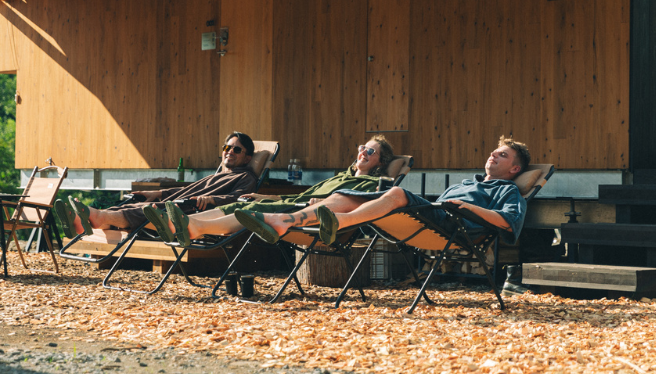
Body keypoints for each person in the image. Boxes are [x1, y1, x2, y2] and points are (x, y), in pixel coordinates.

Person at [234, 135, 531, 246]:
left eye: (502, 155)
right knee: (345, 197)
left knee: (395, 195)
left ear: (515, 170)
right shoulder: (466, 184)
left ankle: (335, 223)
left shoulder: (508, 191)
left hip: (457, 226)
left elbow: (508, 223)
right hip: (436, 215)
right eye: (493, 152)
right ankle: (283, 222)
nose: (493, 156)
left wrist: (468, 209)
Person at [143, 135, 396, 247]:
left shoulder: (370, 186)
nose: (363, 152)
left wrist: (324, 202)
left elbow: (346, 205)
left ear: (380, 162)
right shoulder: (341, 176)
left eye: (371, 151)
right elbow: (300, 196)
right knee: (241, 204)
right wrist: (266, 195)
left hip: (306, 215)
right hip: (296, 204)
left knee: (252, 210)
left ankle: (196, 228)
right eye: (363, 147)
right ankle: (181, 223)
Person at [55, 132, 258, 237]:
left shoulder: (245, 177)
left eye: (237, 150)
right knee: (132, 205)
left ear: (247, 158)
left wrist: (211, 198)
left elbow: (240, 200)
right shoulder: (218, 173)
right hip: (182, 199)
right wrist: (159, 193)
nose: (229, 152)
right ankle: (89, 221)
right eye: (227, 147)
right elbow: (186, 189)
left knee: (148, 211)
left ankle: (96, 217)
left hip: (195, 210)